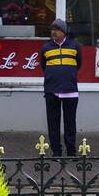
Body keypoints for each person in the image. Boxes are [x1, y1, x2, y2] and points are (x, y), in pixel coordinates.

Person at [38, 19, 81, 157]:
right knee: (53, 124)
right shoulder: (45, 48)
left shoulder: (75, 47)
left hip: (71, 91)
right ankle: (56, 152)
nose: (53, 32)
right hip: (51, 91)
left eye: (56, 30)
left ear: (64, 32)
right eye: (52, 30)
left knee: (70, 124)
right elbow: (43, 66)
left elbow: (78, 65)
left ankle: (71, 152)